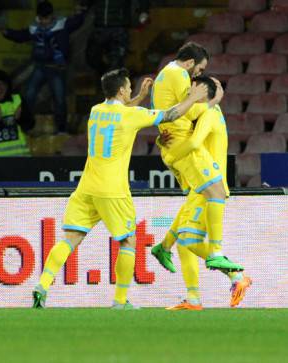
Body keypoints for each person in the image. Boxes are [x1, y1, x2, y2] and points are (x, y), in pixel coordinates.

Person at [32, 68, 208, 309]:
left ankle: (42, 284)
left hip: (86, 187)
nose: (130, 91)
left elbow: (121, 114)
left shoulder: (96, 111)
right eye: (128, 88)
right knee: (128, 242)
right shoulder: (131, 115)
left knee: (71, 238)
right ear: (122, 89)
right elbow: (169, 115)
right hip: (113, 189)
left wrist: (139, 97)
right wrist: (193, 97)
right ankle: (120, 301)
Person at [155, 76, 252, 310]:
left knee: (188, 240)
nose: (188, 91)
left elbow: (195, 142)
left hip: (207, 185)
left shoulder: (209, 114)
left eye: (193, 88)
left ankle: (237, 276)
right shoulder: (204, 114)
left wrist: (170, 155)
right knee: (183, 241)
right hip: (199, 187)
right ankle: (194, 297)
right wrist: (161, 141)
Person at [150, 42, 243, 272]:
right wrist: (212, 103)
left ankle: (166, 246)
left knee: (204, 197)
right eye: (199, 70)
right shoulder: (179, 74)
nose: (198, 76)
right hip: (183, 145)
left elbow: (174, 111)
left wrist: (164, 144)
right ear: (190, 63)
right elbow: (189, 110)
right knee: (217, 193)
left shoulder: (165, 73)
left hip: (176, 141)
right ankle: (215, 255)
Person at [2, 0, 86, 134]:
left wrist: (80, 13)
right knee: (29, 95)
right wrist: (8, 33)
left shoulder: (62, 24)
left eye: (46, 18)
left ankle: (61, 129)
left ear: (52, 15)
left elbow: (77, 22)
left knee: (59, 99)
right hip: (40, 67)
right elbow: (22, 35)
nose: (44, 21)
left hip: (57, 68)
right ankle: (24, 126)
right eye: (41, 18)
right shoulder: (34, 28)